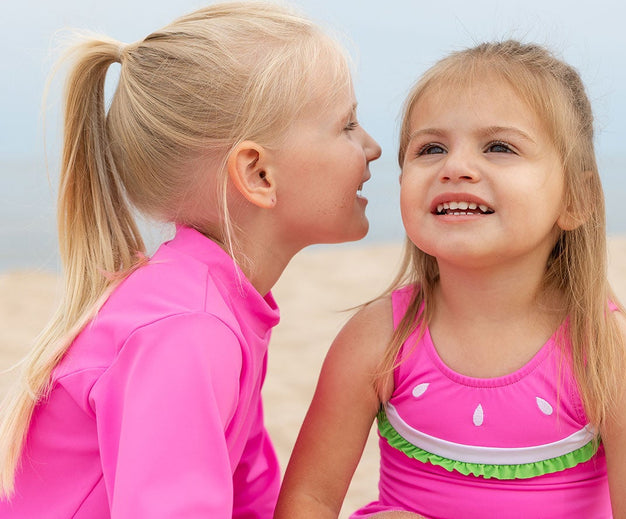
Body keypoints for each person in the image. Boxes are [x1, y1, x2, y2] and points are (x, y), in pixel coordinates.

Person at [0, 3, 382, 517]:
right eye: (348, 125)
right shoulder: (187, 327)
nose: (374, 147)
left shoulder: (223, 305)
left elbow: (251, 495)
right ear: (258, 175)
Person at [275, 41, 626, 518]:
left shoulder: (608, 355)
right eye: (431, 148)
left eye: (499, 147)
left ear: (576, 198)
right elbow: (310, 499)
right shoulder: (379, 338)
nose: (456, 168)